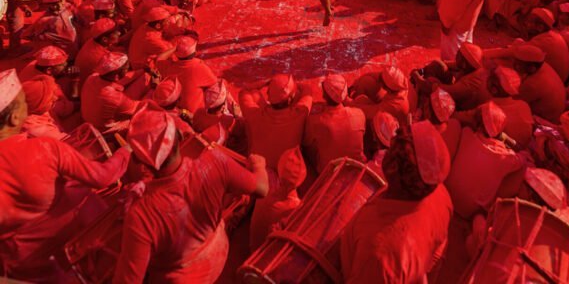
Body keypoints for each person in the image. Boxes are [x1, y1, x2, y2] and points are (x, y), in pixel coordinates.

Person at [0, 68, 131, 279]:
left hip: (12, 264)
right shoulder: (45, 148)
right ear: (15, 118)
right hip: (49, 258)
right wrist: (126, 152)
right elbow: (103, 177)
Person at [114, 104, 269, 282]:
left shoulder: (141, 216)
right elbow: (262, 189)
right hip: (218, 255)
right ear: (179, 136)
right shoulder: (215, 161)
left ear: (137, 160)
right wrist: (259, 166)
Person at [341, 121, 452, 283]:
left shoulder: (379, 254)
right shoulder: (442, 195)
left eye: (395, 145)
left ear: (394, 168)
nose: (391, 142)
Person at [303, 74, 366, 173]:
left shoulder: (317, 121)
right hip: (357, 168)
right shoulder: (359, 114)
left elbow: (306, 142)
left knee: (305, 148)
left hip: (329, 172)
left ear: (324, 95)